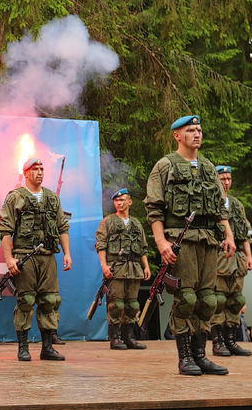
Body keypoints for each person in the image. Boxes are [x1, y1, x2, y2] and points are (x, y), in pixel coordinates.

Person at [144, 115, 234, 376]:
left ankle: (200, 356)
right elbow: (154, 209)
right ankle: (185, 358)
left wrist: (228, 236)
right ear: (177, 135)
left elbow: (220, 209)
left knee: (208, 300)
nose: (197, 134)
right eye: (191, 130)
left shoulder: (208, 167)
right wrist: (161, 242)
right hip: (180, 241)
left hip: (208, 240)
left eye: (199, 130)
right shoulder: (165, 166)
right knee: (187, 298)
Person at [0, 155, 72, 361]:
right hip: (25, 256)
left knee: (49, 300)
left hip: (48, 257)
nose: (39, 172)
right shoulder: (15, 197)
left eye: (42, 169)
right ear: (26, 173)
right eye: (35, 169)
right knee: (26, 300)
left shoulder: (52, 198)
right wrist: (9, 259)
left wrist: (67, 253)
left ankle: (47, 347)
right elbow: (5, 229)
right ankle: (23, 347)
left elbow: (62, 227)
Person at [94, 188, 150, 351]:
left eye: (123, 200)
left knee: (132, 305)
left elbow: (142, 248)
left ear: (130, 202)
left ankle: (129, 338)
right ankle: (115, 338)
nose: (119, 203)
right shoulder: (108, 222)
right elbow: (101, 245)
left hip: (134, 268)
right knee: (116, 304)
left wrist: (146, 266)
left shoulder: (136, 223)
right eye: (117, 200)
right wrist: (104, 266)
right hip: (116, 269)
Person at [211, 166, 252, 358]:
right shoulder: (211, 202)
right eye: (222, 179)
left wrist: (249, 256)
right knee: (218, 300)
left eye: (228, 179)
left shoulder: (236, 204)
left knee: (236, 300)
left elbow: (245, 233)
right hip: (218, 256)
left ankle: (231, 340)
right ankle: (218, 342)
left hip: (236, 258)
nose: (226, 182)